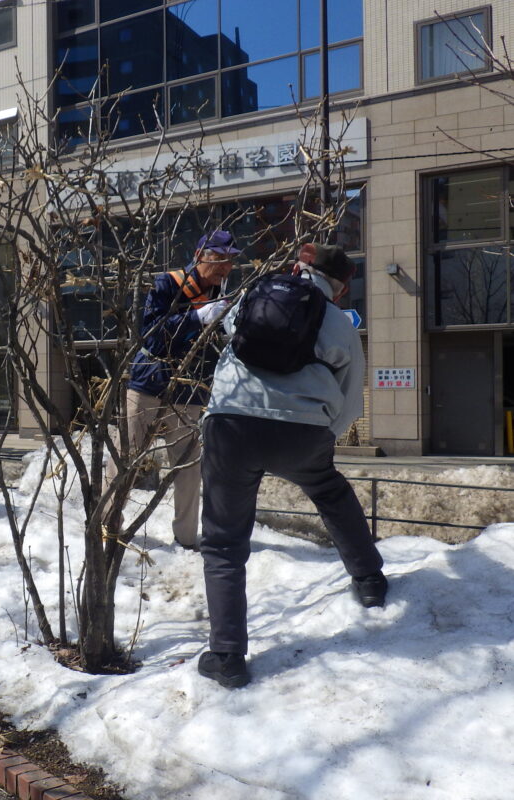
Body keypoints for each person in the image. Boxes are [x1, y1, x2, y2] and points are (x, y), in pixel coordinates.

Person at [197, 243, 387, 689]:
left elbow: (224, 329)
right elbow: (351, 398)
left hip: (230, 427)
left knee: (224, 543)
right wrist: (322, 437)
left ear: (294, 268)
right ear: (340, 289)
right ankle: (369, 580)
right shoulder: (338, 321)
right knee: (329, 490)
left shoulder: (251, 296)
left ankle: (227, 656)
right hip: (301, 433)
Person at [114, 230, 237, 549]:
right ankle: (106, 525)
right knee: (125, 459)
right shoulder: (168, 283)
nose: (225, 268)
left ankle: (186, 539)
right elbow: (152, 337)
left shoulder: (224, 294)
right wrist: (198, 317)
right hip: (149, 383)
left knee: (188, 468)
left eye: (230, 261)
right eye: (220, 259)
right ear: (201, 256)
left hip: (191, 392)